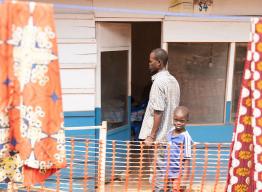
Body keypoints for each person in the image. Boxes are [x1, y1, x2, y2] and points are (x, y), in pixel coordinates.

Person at [138, 48, 180, 144]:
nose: (149, 64)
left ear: (159, 63)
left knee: (154, 159)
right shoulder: (173, 80)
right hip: (170, 137)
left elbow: (158, 111)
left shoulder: (158, 83)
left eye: (150, 61)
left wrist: (151, 136)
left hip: (158, 139)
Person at [163, 106, 193, 192]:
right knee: (167, 189)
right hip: (167, 171)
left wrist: (184, 179)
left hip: (178, 173)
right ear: (172, 118)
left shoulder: (186, 137)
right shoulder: (170, 132)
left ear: (187, 120)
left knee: (177, 190)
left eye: (181, 121)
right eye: (176, 120)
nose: (178, 123)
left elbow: (187, 159)